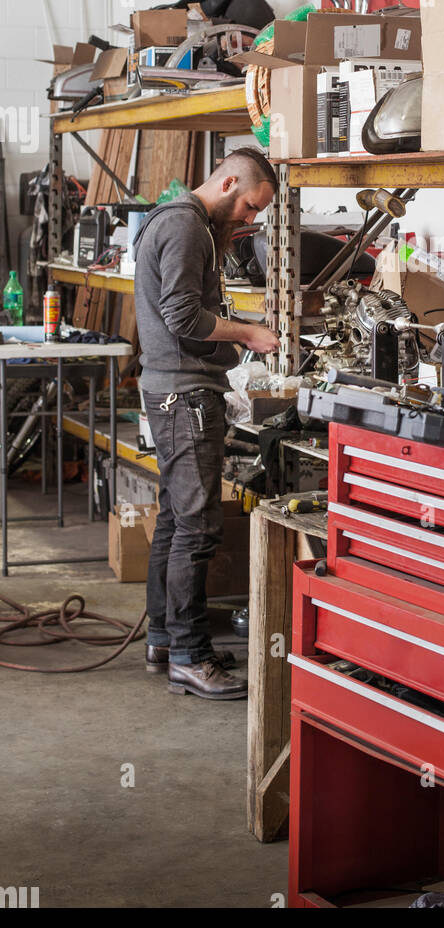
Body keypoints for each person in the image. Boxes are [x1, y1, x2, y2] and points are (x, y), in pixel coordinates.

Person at [133, 147, 279, 700]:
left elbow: (186, 314)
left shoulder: (174, 220)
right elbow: (182, 317)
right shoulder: (187, 226)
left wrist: (240, 331)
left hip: (172, 389)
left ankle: (166, 640)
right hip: (182, 397)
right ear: (228, 183)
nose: (249, 219)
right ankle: (191, 658)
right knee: (198, 529)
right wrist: (245, 335)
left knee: (174, 519)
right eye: (248, 207)